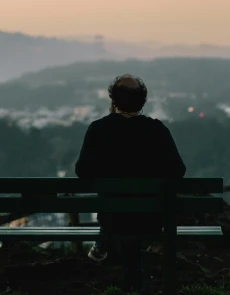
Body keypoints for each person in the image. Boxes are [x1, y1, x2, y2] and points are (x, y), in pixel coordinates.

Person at [74, 74, 187, 293]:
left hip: (112, 217)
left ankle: (108, 248)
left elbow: (82, 171)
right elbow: (178, 170)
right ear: (142, 101)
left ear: (113, 100)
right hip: (150, 219)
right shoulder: (157, 130)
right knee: (132, 219)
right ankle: (132, 277)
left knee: (119, 217)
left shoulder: (98, 129)